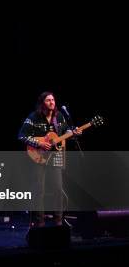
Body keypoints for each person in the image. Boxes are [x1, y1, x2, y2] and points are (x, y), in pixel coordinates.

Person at [18, 91, 81, 227]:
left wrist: (73, 132)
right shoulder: (33, 117)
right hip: (38, 157)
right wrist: (39, 143)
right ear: (42, 103)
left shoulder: (59, 116)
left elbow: (64, 133)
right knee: (39, 190)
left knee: (58, 189)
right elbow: (22, 136)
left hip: (55, 156)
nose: (52, 102)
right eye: (48, 100)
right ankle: (39, 221)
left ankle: (58, 221)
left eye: (53, 100)